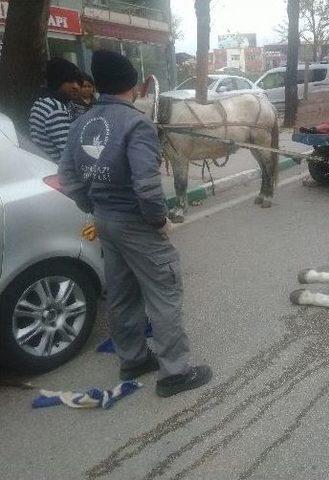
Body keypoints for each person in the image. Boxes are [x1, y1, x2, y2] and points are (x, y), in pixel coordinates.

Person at [58, 50, 212, 398]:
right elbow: (146, 185)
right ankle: (175, 372)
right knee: (164, 292)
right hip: (136, 223)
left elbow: (67, 175)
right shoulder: (136, 124)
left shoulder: (81, 123)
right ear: (135, 86)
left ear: (98, 84)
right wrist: (158, 221)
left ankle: (133, 359)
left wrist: (91, 204)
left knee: (123, 293)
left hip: (105, 220)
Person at [29, 57, 82, 163]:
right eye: (70, 81)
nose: (76, 86)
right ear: (57, 81)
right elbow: (69, 152)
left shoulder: (43, 101)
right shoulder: (56, 109)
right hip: (58, 171)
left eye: (78, 82)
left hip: (43, 164)